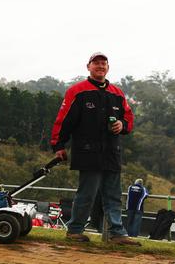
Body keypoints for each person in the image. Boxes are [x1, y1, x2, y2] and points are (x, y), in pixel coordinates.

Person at [50, 52, 140, 246]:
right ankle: (74, 230)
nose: (100, 66)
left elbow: (129, 118)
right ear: (88, 67)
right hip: (87, 151)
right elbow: (63, 120)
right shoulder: (77, 91)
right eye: (96, 63)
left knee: (113, 195)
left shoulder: (117, 93)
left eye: (103, 63)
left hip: (111, 152)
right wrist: (58, 145)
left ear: (108, 68)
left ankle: (117, 233)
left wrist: (122, 126)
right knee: (87, 194)